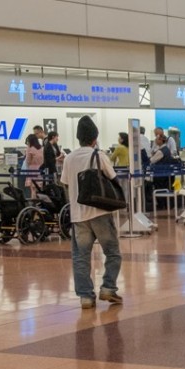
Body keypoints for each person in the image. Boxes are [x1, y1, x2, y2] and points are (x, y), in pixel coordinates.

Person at [60, 115, 122, 308]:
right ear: (95, 137)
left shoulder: (69, 158)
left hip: (78, 215)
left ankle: (86, 296)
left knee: (81, 257)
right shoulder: (99, 155)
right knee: (112, 253)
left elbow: (65, 183)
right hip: (101, 212)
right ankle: (108, 288)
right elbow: (112, 177)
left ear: (78, 138)